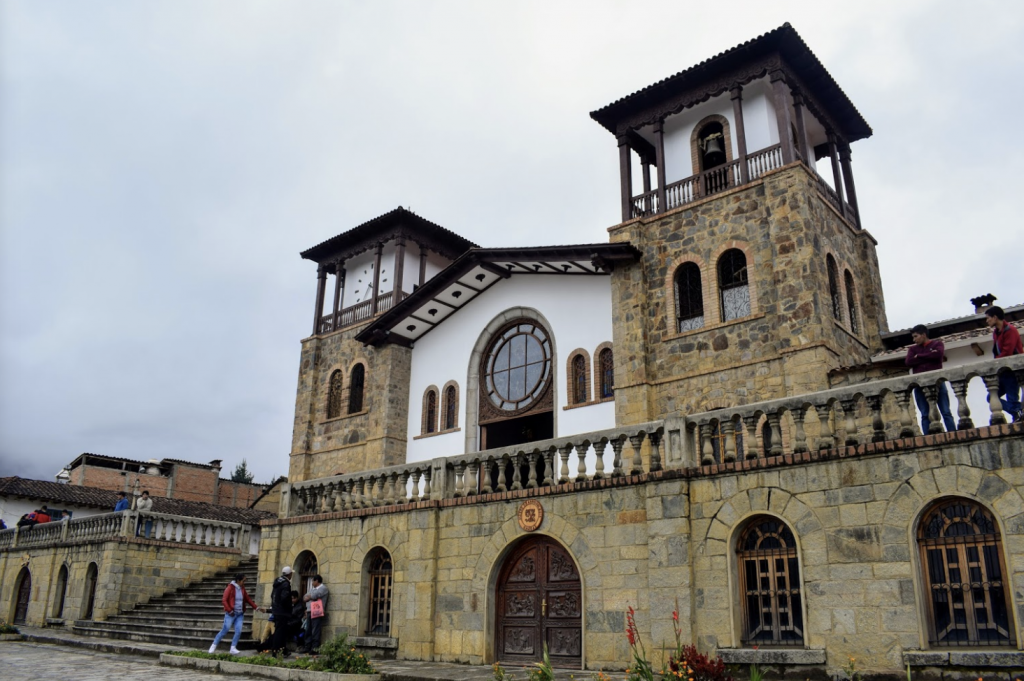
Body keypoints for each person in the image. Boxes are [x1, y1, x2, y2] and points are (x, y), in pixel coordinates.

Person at [905, 324, 956, 433]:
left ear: (923, 335)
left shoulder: (937, 344)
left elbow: (937, 356)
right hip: (920, 385)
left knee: (945, 411)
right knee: (924, 414)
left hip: (938, 382)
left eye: (916, 336)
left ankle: (953, 433)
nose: (914, 340)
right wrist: (929, 356)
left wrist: (919, 357)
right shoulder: (913, 349)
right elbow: (908, 362)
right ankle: (928, 436)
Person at [209, 573, 263, 655]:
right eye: (243, 581)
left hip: (239, 614)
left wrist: (256, 608)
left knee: (238, 631)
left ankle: (233, 648)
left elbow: (248, 599)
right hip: (231, 613)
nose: (244, 583)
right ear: (238, 580)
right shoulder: (230, 588)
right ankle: (213, 645)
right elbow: (224, 600)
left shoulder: (242, 588)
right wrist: (229, 610)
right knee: (225, 630)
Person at [987, 306, 1023, 421]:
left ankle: (1017, 413)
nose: (987, 321)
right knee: (991, 397)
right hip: (1002, 371)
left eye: (988, 318)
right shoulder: (996, 333)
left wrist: (995, 361)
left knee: (1012, 398)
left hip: (1012, 370)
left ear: (995, 317)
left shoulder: (1010, 330)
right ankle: (1017, 411)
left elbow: (1007, 352)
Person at [263, 565, 293, 654]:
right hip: (283, 612)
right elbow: (285, 598)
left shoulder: (277, 582)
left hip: (276, 610)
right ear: (290, 574)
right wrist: (288, 606)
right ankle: (275, 650)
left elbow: (272, 595)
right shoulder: (286, 584)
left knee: (281, 631)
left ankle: (283, 650)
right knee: (279, 632)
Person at [302, 574, 328, 654]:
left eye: (313, 581)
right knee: (308, 629)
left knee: (315, 630)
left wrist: (309, 597)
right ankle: (307, 646)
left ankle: (315, 648)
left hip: (317, 611)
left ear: (317, 581)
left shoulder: (323, 588)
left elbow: (315, 595)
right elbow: (305, 596)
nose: (312, 582)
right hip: (310, 611)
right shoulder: (313, 589)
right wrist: (308, 597)